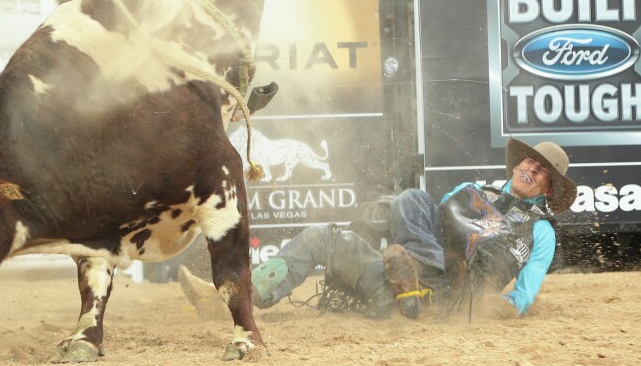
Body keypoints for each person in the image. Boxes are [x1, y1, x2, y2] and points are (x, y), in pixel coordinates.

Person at [208, 137, 575, 319]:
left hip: (441, 305)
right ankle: (237, 295)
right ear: (517, 165)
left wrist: (479, 312)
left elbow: (521, 297)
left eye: (543, 171)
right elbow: (424, 222)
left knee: (410, 203)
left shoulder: (541, 231)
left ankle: (418, 278)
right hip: (401, 291)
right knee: (328, 234)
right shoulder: (471, 190)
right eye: (531, 161)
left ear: (549, 189)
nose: (533, 169)